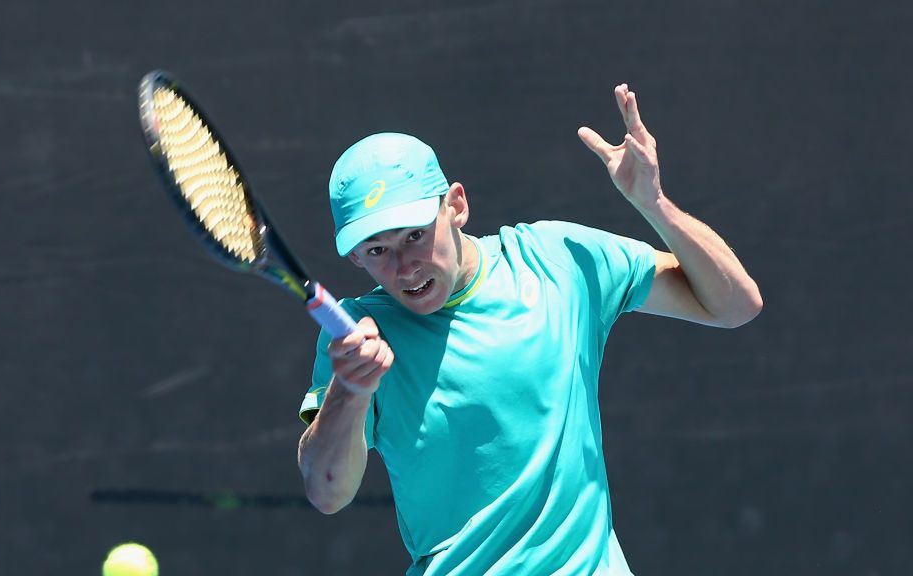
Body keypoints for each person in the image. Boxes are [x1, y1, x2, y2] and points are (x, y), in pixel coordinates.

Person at [296, 84, 762, 575]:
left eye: (416, 235)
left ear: (455, 205)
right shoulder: (355, 339)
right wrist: (349, 390)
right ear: (355, 257)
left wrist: (655, 204)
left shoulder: (556, 260)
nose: (405, 266)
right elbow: (327, 493)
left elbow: (735, 304)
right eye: (377, 251)